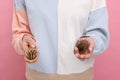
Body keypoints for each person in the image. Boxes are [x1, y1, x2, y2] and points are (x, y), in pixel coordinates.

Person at [12, 0, 110, 80]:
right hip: (37, 76)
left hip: (80, 76)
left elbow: (99, 32)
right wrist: (23, 40)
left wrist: (91, 43)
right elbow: (19, 33)